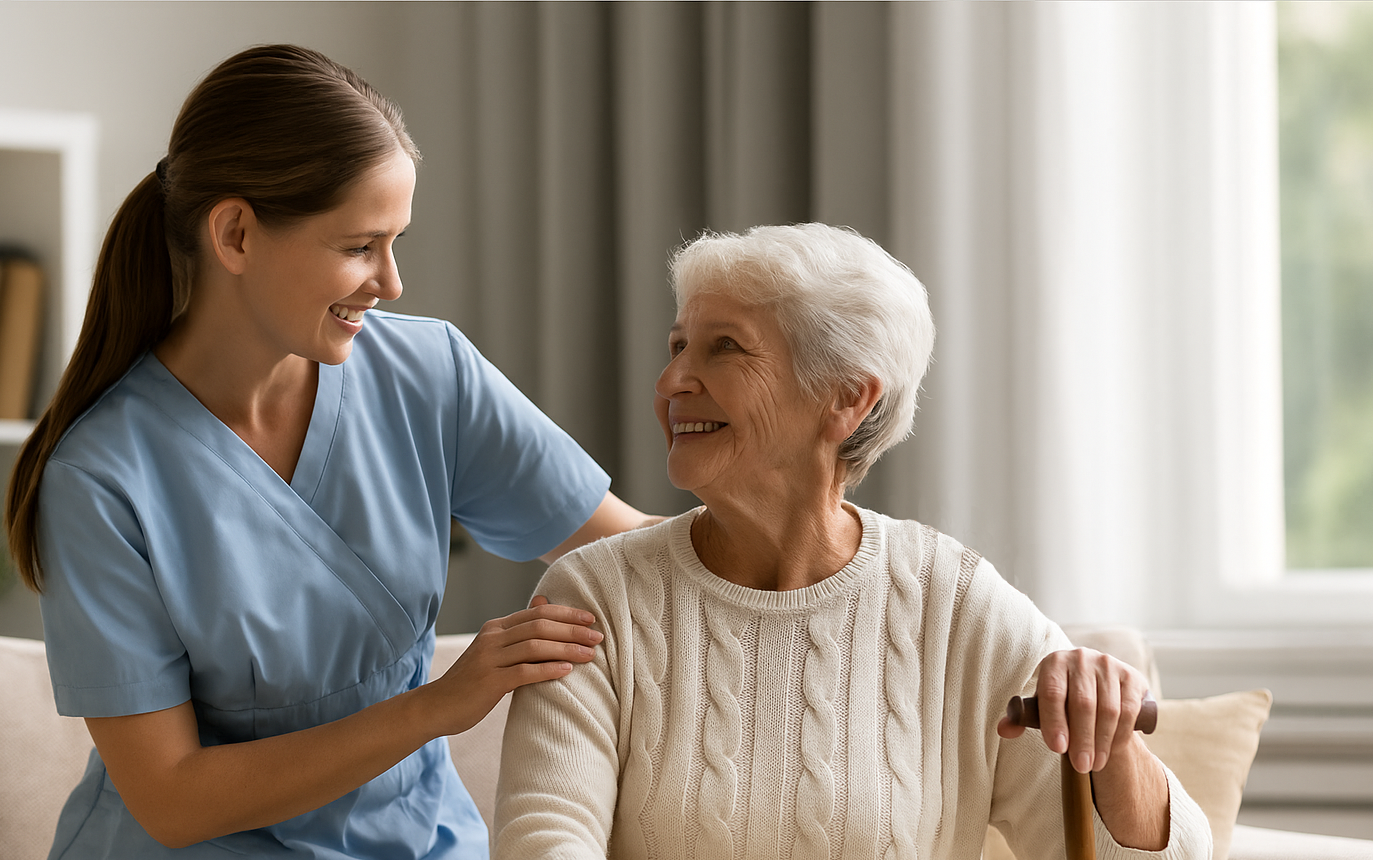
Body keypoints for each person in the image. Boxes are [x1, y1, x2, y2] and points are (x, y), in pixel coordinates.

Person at [3, 45, 655, 859]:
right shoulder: (101, 479)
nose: (390, 282)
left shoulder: (430, 373)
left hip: (421, 842)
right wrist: (436, 707)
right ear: (236, 234)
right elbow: (170, 798)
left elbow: (635, 552)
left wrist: (827, 538)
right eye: (358, 246)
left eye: (395, 242)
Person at [492, 223, 1212, 859]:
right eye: (678, 345)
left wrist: (1112, 744)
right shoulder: (596, 597)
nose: (673, 379)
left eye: (723, 349)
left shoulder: (953, 602)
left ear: (844, 397)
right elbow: (543, 840)